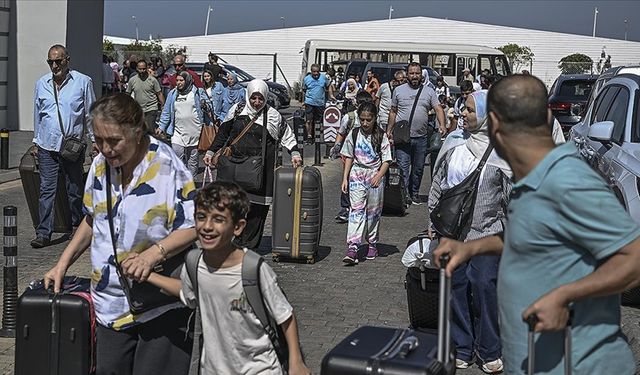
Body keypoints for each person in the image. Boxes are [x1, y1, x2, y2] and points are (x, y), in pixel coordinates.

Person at [434, 74, 640, 375]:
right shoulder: (527, 177)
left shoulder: (568, 181)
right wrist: (470, 248)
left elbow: (633, 258)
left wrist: (565, 296)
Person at [43, 93, 197, 375]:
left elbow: (193, 226)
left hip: (160, 305)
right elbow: (93, 218)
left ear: (137, 132)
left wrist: (152, 254)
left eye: (113, 140)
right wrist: (61, 264)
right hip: (109, 305)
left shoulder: (168, 166)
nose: (105, 149)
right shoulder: (101, 166)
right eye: (99, 140)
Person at [427, 90, 510, 373]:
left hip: (488, 233)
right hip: (452, 233)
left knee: (485, 285)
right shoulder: (453, 143)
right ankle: (462, 346)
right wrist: (432, 221)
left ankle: (489, 350)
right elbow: (438, 184)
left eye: (470, 110)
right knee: (456, 287)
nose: (462, 113)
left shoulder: (502, 151)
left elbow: (510, 197)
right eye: (463, 108)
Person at [203, 79, 302, 249]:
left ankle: (248, 244)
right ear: (248, 96)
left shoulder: (272, 115)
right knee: (233, 205)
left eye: (260, 99)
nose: (257, 102)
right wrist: (211, 152)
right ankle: (232, 238)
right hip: (235, 166)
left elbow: (287, 135)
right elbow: (223, 133)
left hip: (260, 170)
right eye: (253, 98)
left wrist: (294, 152)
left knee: (257, 208)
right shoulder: (237, 110)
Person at [31, 44, 96, 248]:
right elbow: (38, 115)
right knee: (46, 190)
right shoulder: (41, 83)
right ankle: (44, 233)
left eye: (58, 61)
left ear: (68, 59)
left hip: (72, 146)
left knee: (74, 189)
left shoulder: (83, 82)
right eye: (51, 61)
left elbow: (90, 114)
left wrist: (95, 140)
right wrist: (35, 140)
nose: (54, 65)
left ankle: (77, 227)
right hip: (47, 146)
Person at [386, 62, 446, 206]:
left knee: (418, 168)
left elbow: (438, 108)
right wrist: (389, 130)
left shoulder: (429, 91)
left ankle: (414, 193)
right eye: (411, 73)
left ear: (421, 75)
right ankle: (404, 194)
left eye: (417, 73)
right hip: (402, 137)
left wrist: (442, 124)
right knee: (403, 167)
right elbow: (393, 111)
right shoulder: (398, 90)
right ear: (407, 74)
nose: (414, 76)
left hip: (421, 137)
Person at [340, 102, 392, 264]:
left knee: (373, 212)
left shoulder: (381, 135)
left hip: (374, 175)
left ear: (374, 118)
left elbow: (387, 160)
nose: (365, 123)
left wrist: (379, 175)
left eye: (368, 120)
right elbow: (348, 156)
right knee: (356, 210)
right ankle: (353, 246)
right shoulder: (354, 134)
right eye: (362, 119)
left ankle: (372, 242)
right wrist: (345, 178)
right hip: (357, 174)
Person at [331, 91, 375, 224]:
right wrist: (337, 147)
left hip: (367, 156)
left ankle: (365, 206)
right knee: (347, 180)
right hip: (350, 154)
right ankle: (345, 208)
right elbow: (341, 132)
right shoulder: (349, 117)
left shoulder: (373, 117)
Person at [157, 71, 207, 178]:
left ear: (187, 80)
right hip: (177, 131)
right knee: (177, 156)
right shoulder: (173, 93)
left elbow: (208, 106)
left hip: (194, 132)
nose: (178, 83)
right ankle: (179, 182)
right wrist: (161, 126)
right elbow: (166, 111)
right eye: (177, 80)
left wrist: (205, 105)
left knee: (192, 160)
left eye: (181, 80)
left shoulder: (197, 92)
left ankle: (191, 181)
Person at [126, 60, 165, 133]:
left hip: (151, 108)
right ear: (137, 68)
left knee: (149, 130)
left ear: (146, 68)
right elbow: (128, 94)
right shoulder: (132, 80)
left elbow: (159, 93)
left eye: (144, 69)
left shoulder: (152, 80)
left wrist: (163, 106)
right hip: (138, 109)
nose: (142, 71)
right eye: (140, 69)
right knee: (138, 131)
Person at [302, 64, 332, 144]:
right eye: (314, 72)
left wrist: (331, 95)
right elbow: (304, 90)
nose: (316, 74)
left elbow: (329, 85)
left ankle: (316, 136)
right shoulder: (306, 79)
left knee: (317, 121)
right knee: (309, 120)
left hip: (320, 103)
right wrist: (303, 101)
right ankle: (309, 136)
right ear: (311, 71)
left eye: (317, 72)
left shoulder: (323, 78)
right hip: (309, 102)